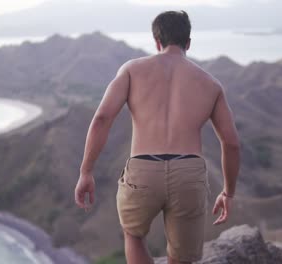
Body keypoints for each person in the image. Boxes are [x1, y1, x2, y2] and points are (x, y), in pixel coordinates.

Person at [75, 10, 240, 264]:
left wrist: (86, 171)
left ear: (156, 41)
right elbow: (230, 143)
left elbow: (102, 118)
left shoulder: (131, 70)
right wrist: (228, 192)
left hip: (143, 169)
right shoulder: (211, 84)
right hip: (189, 171)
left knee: (133, 235)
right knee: (182, 256)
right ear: (188, 43)